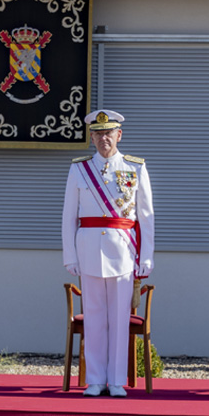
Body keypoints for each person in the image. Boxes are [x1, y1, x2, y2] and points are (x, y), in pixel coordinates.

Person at [61, 109, 154, 397]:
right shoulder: (79, 169)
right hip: (88, 250)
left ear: (119, 135)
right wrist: (70, 255)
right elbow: (68, 216)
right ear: (91, 137)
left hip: (123, 251)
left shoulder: (135, 167)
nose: (104, 138)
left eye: (109, 133)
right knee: (94, 318)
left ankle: (116, 380)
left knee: (119, 319)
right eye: (98, 133)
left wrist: (146, 256)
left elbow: (146, 217)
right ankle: (95, 379)